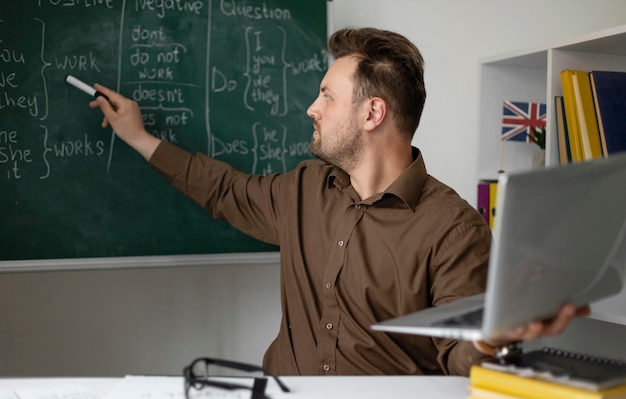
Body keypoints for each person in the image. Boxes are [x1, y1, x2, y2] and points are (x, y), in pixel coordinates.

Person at [90, 27, 587, 376]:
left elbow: (457, 357)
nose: (312, 107)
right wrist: (137, 137)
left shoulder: (453, 229)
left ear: (372, 112)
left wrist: (491, 338)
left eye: (327, 95)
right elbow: (221, 189)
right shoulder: (304, 189)